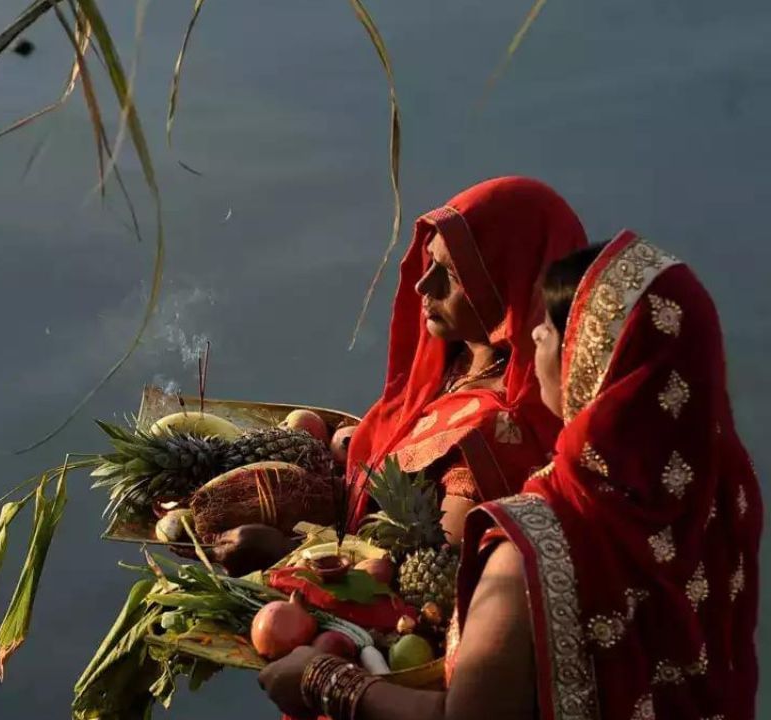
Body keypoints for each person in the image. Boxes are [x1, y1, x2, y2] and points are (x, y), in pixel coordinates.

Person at [257, 231, 762, 719]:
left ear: (592, 368)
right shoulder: (725, 493)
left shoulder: (534, 544)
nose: (535, 333)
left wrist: (320, 679)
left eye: (553, 327)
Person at [213, 177, 588, 575]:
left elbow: (426, 576)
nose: (424, 285)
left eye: (453, 274)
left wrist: (282, 554)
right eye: (430, 262)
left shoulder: (495, 434)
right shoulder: (455, 364)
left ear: (512, 286)